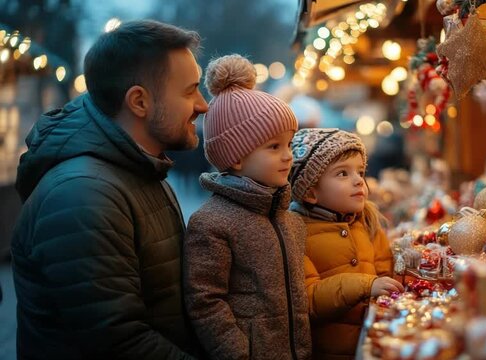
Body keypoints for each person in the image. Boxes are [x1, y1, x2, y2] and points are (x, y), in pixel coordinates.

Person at [11, 20, 208, 359]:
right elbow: (120, 342)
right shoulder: (82, 196)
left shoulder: (138, 169)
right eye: (190, 91)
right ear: (139, 102)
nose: (203, 105)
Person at [183, 54, 311, 360]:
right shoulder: (212, 223)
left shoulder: (289, 218)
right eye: (273, 147)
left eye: (289, 145)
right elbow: (205, 301)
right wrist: (238, 352)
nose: (287, 156)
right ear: (236, 157)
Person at [288, 128, 404, 359]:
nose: (358, 180)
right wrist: (365, 285)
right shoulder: (295, 233)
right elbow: (308, 300)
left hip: (373, 342)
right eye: (343, 174)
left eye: (360, 172)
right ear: (310, 192)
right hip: (331, 352)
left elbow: (385, 270)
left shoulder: (368, 221)